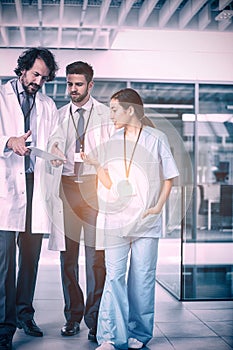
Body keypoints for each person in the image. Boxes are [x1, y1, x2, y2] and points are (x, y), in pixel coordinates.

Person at [81, 88, 179, 350]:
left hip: (146, 221)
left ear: (130, 110)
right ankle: (111, 337)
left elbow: (169, 177)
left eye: (114, 110)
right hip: (116, 220)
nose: (110, 115)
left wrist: (158, 206)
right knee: (114, 277)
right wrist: (96, 166)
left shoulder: (156, 137)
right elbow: (108, 179)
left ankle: (139, 333)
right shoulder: (112, 139)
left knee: (142, 279)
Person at [50, 61, 114, 342]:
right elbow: (52, 142)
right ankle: (73, 316)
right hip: (66, 189)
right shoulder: (60, 114)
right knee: (68, 258)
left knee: (95, 259)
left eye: (78, 84)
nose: (72, 89)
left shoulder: (104, 115)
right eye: (69, 84)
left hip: (92, 189)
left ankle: (95, 319)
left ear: (90, 85)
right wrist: (53, 149)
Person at [0, 47, 59, 350]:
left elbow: (53, 139)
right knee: (5, 262)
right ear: (22, 69)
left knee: (31, 259)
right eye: (35, 74)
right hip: (7, 188)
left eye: (44, 78)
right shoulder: (1, 97)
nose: (38, 81)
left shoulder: (47, 105)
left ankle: (25, 314)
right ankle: (4, 327)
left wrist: (56, 154)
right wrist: (8, 141)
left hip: (36, 184)